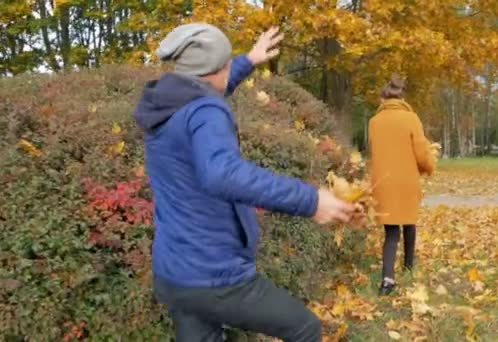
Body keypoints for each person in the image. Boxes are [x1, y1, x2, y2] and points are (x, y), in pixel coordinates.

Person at [133, 23, 355, 341]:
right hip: (214, 278)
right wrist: (312, 201)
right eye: (228, 64)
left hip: (175, 275)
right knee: (305, 329)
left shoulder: (169, 106)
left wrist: (248, 60)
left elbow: (210, 89)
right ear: (217, 68)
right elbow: (222, 173)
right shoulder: (206, 111)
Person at [368, 75, 436, 296]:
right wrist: (429, 167)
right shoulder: (411, 119)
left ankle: (388, 279)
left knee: (391, 231)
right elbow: (421, 152)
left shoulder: (374, 122)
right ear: (402, 98)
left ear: (383, 99)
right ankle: (409, 266)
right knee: (409, 222)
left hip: (383, 181)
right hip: (407, 180)